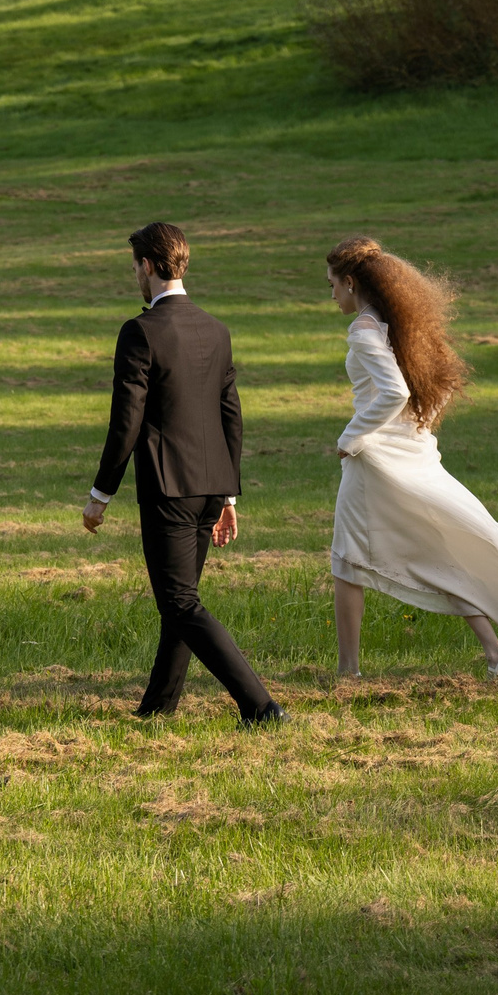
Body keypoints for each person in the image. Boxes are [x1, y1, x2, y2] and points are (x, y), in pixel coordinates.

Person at [324, 235, 498, 680]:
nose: (330, 294)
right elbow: (434, 389)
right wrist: (414, 428)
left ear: (349, 283)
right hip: (409, 454)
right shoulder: (399, 324)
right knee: (436, 553)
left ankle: (349, 673)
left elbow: (395, 392)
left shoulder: (364, 329)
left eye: (331, 285)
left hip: (375, 462)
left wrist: (352, 437)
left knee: (347, 560)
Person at [83, 222, 284, 727]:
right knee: (180, 604)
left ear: (148, 266)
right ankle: (158, 708)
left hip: (168, 489)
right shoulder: (216, 329)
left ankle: (260, 707)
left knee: (180, 603)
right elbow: (230, 414)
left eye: (134, 266)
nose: (134, 275)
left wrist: (99, 493)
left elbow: (126, 421)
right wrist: (229, 496)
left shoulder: (140, 331)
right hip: (211, 486)